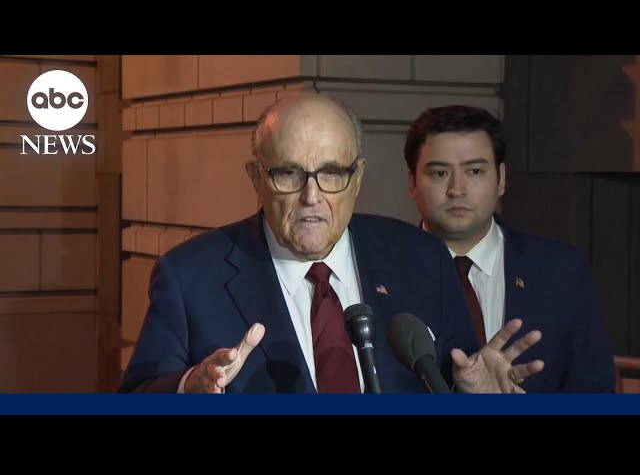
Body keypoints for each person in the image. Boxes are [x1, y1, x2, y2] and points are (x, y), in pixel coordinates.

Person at [119, 93, 543, 394]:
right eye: (289, 173)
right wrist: (187, 388)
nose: (312, 196)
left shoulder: (421, 258)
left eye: (332, 173)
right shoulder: (190, 276)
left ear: (357, 178)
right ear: (256, 178)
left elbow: (454, 378)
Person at [404, 104, 616, 392]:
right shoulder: (380, 272)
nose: (457, 189)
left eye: (475, 171)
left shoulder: (562, 271)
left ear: (501, 178)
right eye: (440, 173)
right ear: (412, 182)